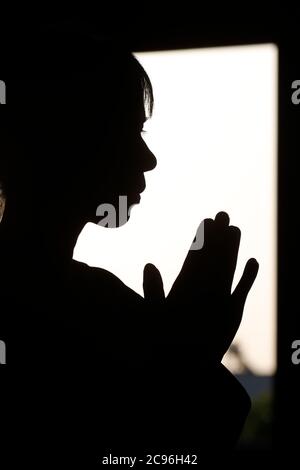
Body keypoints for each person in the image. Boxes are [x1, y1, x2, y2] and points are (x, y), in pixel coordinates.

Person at [0, 26, 259, 464]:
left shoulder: (102, 300)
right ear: (62, 137)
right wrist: (186, 363)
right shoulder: (99, 305)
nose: (148, 158)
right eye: (127, 129)